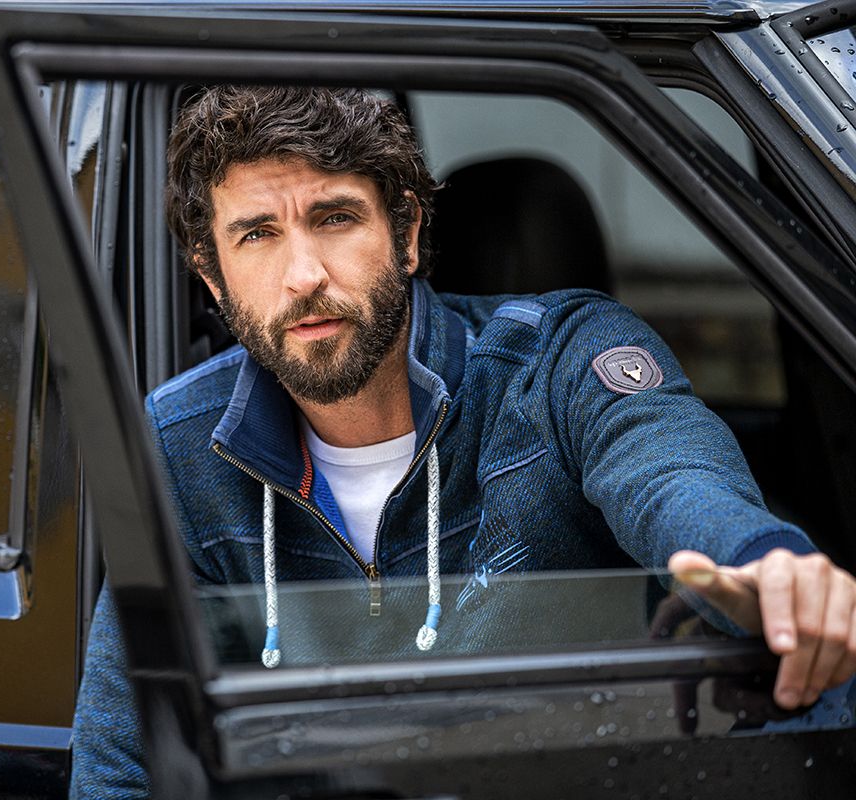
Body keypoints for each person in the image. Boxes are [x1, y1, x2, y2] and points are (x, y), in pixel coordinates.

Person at [70, 85, 856, 798]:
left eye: (335, 218)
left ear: (406, 233)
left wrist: (767, 564)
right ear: (212, 277)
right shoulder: (182, 444)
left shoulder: (556, 362)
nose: (303, 274)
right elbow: (121, 761)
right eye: (257, 234)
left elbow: (671, 475)